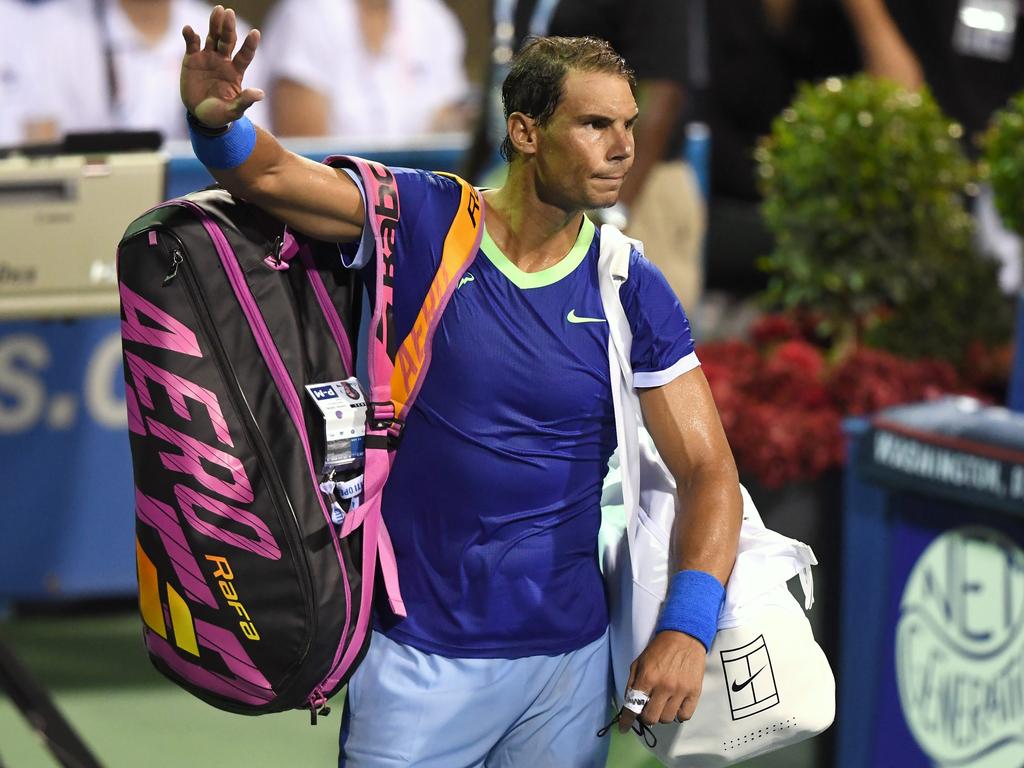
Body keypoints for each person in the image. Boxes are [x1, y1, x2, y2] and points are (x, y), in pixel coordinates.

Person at [179, 6, 742, 766]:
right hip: (417, 664)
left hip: (567, 671)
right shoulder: (425, 218)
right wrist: (218, 128)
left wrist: (687, 624)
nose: (624, 149)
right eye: (595, 125)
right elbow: (272, 174)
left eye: (629, 124)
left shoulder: (629, 284)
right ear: (525, 133)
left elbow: (710, 469)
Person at [465, 0, 706, 311]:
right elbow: (504, 76)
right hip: (532, 188)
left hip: (640, 192)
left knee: (639, 347)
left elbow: (661, 90)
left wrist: (613, 214)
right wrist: (468, 184)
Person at [261, 0, 471, 139]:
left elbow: (450, 127)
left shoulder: (434, 18)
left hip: (419, 196)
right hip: (333, 199)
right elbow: (304, 158)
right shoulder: (305, 15)